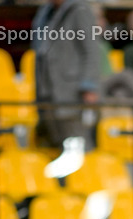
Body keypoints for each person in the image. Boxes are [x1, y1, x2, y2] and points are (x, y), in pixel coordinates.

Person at [32, 0, 100, 147]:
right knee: (56, 144)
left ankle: (84, 170)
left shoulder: (80, 9)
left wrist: (89, 86)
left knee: (77, 143)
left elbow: (91, 50)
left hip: (72, 92)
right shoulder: (45, 12)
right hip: (48, 90)